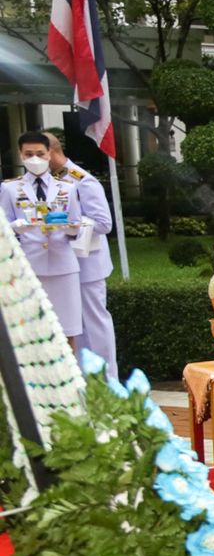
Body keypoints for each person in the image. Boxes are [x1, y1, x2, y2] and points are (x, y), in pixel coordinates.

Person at [45, 134, 116, 376]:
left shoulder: (81, 180)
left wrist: (69, 223)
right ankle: (83, 381)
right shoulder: (48, 182)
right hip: (62, 266)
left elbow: (104, 223)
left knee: (95, 326)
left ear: (53, 152)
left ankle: (107, 382)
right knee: (74, 328)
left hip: (88, 265)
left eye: (40, 155)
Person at [3, 131, 83, 347]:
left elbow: (76, 228)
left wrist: (66, 227)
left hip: (63, 265)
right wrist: (18, 226)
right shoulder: (10, 188)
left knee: (68, 329)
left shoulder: (67, 187)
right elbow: (4, 229)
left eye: (40, 153)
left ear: (49, 154)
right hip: (30, 266)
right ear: (21, 155)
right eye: (29, 154)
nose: (35, 158)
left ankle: (72, 378)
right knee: (31, 330)